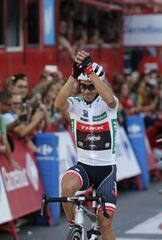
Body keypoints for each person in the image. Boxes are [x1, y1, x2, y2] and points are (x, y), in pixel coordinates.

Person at [54, 50, 118, 240]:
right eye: (83, 87)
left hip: (106, 170)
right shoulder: (76, 104)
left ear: (98, 85)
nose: (87, 91)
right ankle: (74, 226)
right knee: (66, 185)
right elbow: (58, 103)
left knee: (105, 223)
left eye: (91, 87)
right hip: (84, 167)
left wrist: (90, 72)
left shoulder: (108, 105)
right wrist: (73, 76)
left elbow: (109, 99)